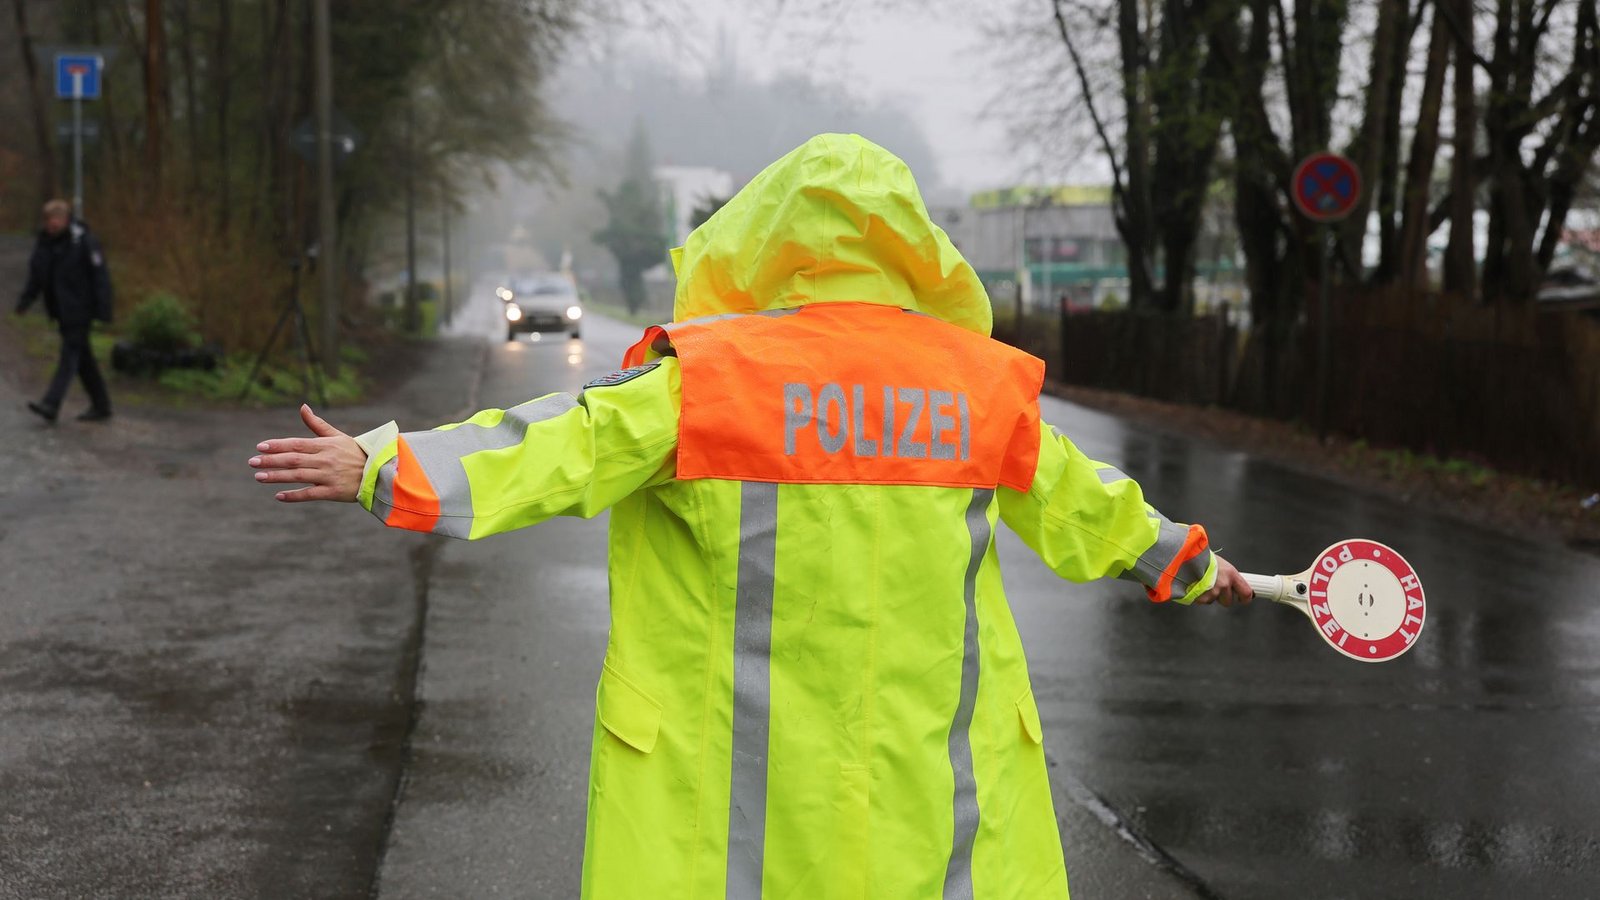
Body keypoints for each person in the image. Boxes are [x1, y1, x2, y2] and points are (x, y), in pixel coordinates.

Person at [249, 133, 1251, 899]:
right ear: (914, 250)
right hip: (928, 791)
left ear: (766, 237)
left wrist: (382, 467)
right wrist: (1195, 567)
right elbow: (1093, 508)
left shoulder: (714, 378)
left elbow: (555, 444)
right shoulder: (975, 392)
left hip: (736, 807)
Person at [14, 199, 115, 422]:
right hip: (61, 311)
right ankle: (102, 405)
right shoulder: (45, 244)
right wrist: (25, 302)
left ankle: (51, 403)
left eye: (57, 219)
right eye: (49, 219)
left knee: (69, 356)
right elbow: (37, 276)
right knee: (83, 359)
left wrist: (103, 309)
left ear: (66, 219)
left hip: (81, 309)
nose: (52, 223)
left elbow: (100, 277)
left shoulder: (84, 242)